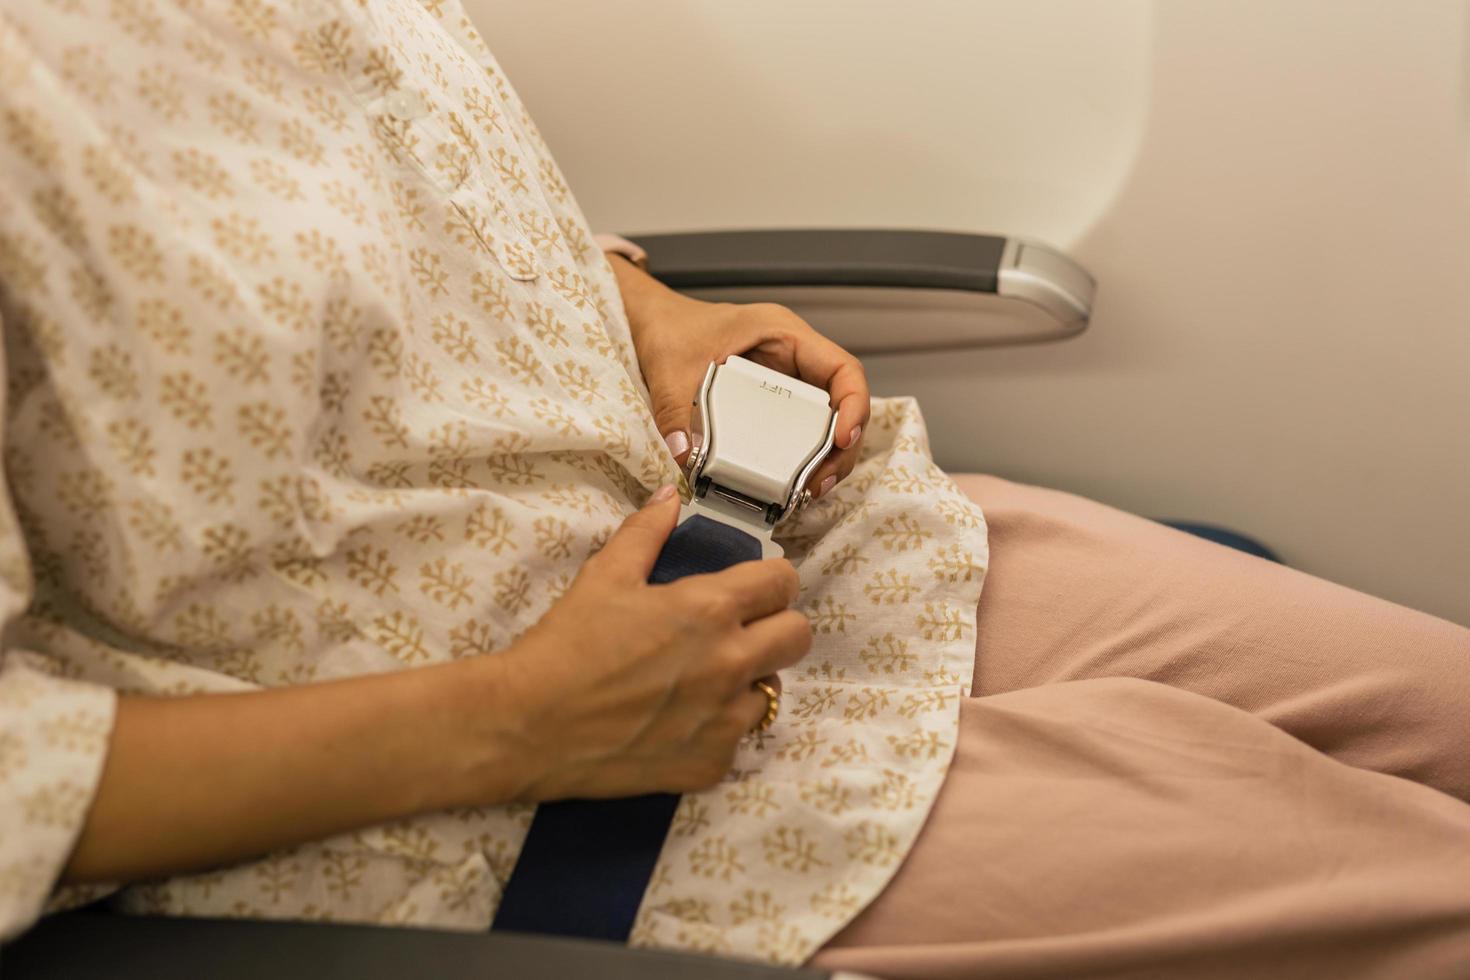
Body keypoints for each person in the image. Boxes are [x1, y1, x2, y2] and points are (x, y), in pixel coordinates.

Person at [0, 3, 1466, 977]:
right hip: (524, 796)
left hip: (787, 537)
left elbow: (378, 190)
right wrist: (519, 724)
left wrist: (646, 313)